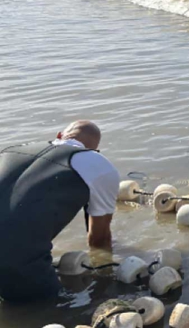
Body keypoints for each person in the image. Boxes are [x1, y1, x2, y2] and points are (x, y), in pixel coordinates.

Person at [0, 120, 120, 303]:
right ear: (94, 151)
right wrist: (105, 275)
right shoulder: (97, 164)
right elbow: (99, 239)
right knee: (52, 311)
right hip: (15, 263)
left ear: (59, 136)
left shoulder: (11, 151)